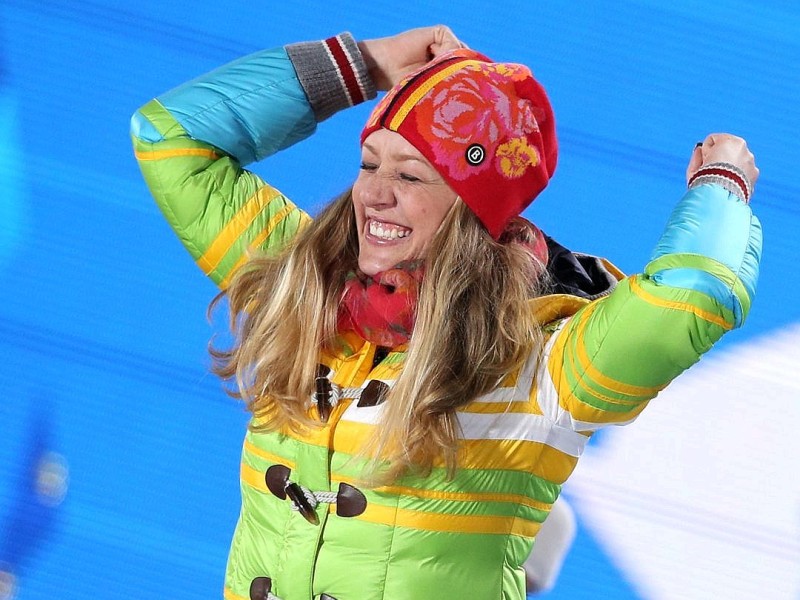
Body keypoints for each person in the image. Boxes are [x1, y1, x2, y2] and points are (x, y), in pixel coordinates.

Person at [130, 25, 761, 600]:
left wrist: (721, 188)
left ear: (472, 211)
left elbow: (693, 298)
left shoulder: (540, 361)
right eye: (368, 163)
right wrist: (363, 65)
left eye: (411, 175)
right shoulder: (303, 284)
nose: (374, 193)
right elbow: (170, 137)